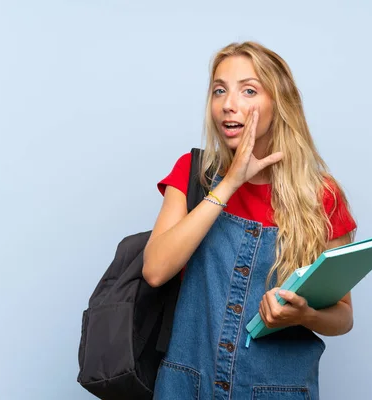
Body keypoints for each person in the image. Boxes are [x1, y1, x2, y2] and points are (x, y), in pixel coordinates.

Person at [143, 41, 358, 400]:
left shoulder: (321, 196)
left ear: (279, 104)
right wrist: (229, 183)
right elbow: (155, 270)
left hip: (278, 391)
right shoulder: (193, 174)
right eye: (219, 91)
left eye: (248, 90)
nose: (229, 104)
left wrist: (304, 315)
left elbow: (343, 317)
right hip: (186, 387)